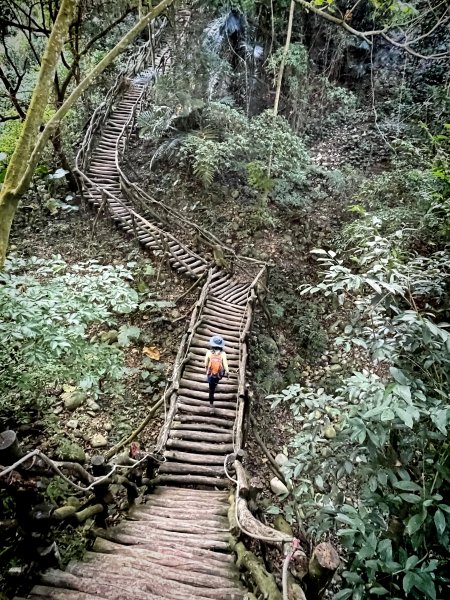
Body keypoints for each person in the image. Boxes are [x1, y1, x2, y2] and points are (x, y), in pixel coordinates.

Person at [204, 335, 229, 410]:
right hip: (218, 375)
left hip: (211, 374)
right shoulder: (223, 354)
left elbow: (205, 364)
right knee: (216, 380)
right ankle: (216, 383)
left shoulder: (209, 353)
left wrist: (207, 370)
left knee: (211, 390)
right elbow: (225, 364)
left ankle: (211, 405)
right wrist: (227, 372)